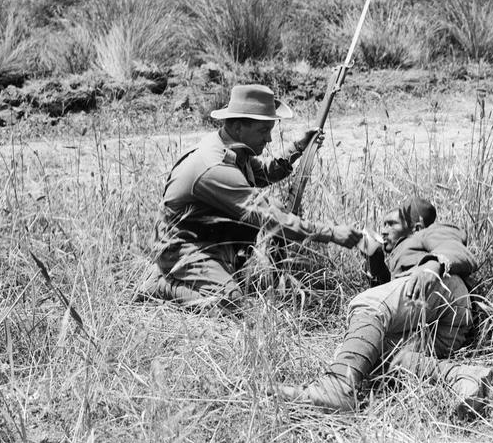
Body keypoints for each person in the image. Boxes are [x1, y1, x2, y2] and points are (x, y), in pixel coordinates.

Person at [135, 84, 362, 310]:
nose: (270, 139)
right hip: (182, 247)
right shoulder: (214, 167)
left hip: (206, 239)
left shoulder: (232, 147)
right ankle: (160, 284)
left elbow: (261, 173)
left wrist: (298, 147)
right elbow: (270, 219)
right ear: (237, 126)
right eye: (263, 131)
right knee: (228, 302)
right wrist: (331, 233)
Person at [274, 197, 493, 419]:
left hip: (443, 291)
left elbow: (454, 246)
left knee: (365, 304)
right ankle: (463, 377)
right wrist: (376, 258)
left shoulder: (427, 233)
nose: (384, 230)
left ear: (415, 226)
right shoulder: (400, 253)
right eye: (383, 225)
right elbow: (388, 303)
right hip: (437, 327)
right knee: (367, 354)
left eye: (391, 224)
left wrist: (431, 266)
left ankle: (338, 389)